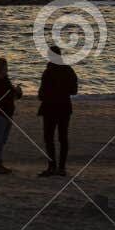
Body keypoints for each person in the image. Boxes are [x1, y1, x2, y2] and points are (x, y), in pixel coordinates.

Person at [36, 44, 79, 178]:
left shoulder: (48, 72)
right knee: (63, 138)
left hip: (49, 108)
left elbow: (41, 94)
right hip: (64, 107)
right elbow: (74, 91)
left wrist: (50, 94)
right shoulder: (68, 70)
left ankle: (52, 166)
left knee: (49, 138)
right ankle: (61, 168)